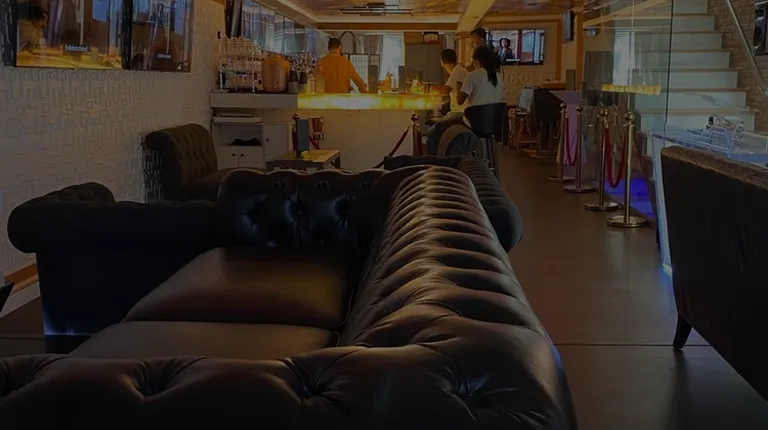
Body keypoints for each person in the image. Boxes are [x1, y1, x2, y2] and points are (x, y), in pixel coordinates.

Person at [426, 49, 469, 154]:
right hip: (460, 111)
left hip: (461, 113)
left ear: (442, 62)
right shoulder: (459, 69)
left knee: (433, 131)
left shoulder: (458, 71)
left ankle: (434, 159)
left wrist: (430, 88)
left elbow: (446, 89)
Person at [457, 45, 505, 127]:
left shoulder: (472, 75)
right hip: (494, 122)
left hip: (474, 122)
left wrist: (459, 84)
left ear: (476, 61)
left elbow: (459, 101)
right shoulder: (498, 76)